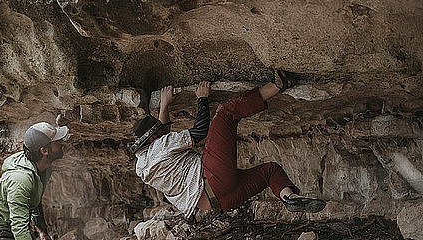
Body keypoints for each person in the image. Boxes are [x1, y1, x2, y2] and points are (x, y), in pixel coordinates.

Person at [130, 71, 326, 220]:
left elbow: (162, 136)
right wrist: (202, 98)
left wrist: (164, 106)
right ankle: (278, 85)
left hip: (219, 202)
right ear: (153, 138)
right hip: (213, 179)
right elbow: (200, 130)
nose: (162, 132)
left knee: (270, 171)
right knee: (226, 113)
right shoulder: (161, 146)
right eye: (157, 132)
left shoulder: (143, 167)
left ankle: (288, 198)